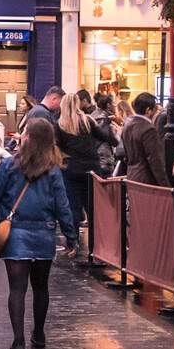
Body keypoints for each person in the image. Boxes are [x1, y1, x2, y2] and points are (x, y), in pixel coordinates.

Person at [0, 118, 77, 349]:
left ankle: (18, 340)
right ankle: (38, 334)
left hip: (15, 233)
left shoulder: (9, 166)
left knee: (16, 289)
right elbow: (62, 205)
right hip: (43, 233)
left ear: (28, 137)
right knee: (41, 288)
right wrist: (71, 236)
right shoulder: (53, 170)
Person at [56, 90, 114, 249]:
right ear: (77, 104)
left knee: (73, 207)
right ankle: (98, 245)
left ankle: (73, 243)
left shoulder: (60, 124)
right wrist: (106, 125)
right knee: (93, 207)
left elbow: (57, 146)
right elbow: (105, 137)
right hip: (92, 168)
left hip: (72, 168)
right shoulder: (87, 120)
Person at [122, 91, 167, 185]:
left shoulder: (128, 125)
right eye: (155, 109)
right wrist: (165, 185)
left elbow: (126, 154)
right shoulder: (148, 129)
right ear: (148, 110)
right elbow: (155, 160)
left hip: (131, 175)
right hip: (146, 179)